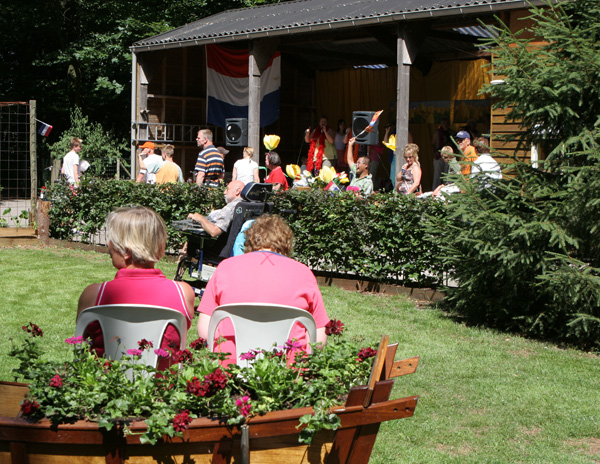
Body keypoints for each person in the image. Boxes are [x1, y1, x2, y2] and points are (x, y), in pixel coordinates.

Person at [197, 214, 330, 365]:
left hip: (229, 366)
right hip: (288, 371)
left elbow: (204, 330)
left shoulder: (225, 268)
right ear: (287, 243)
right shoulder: (304, 273)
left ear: (249, 241)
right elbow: (319, 338)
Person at [76, 206, 195, 370]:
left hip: (105, 388)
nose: (108, 245)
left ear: (125, 251)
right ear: (161, 250)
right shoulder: (183, 292)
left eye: (111, 240)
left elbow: (81, 347)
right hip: (162, 391)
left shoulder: (93, 295)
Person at [431, 117, 453, 190]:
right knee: (437, 175)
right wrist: (434, 154)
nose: (445, 125)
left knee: (447, 175)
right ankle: (435, 190)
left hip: (449, 156)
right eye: (443, 123)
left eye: (446, 124)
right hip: (438, 155)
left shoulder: (451, 132)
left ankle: (446, 190)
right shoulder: (437, 132)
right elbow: (433, 144)